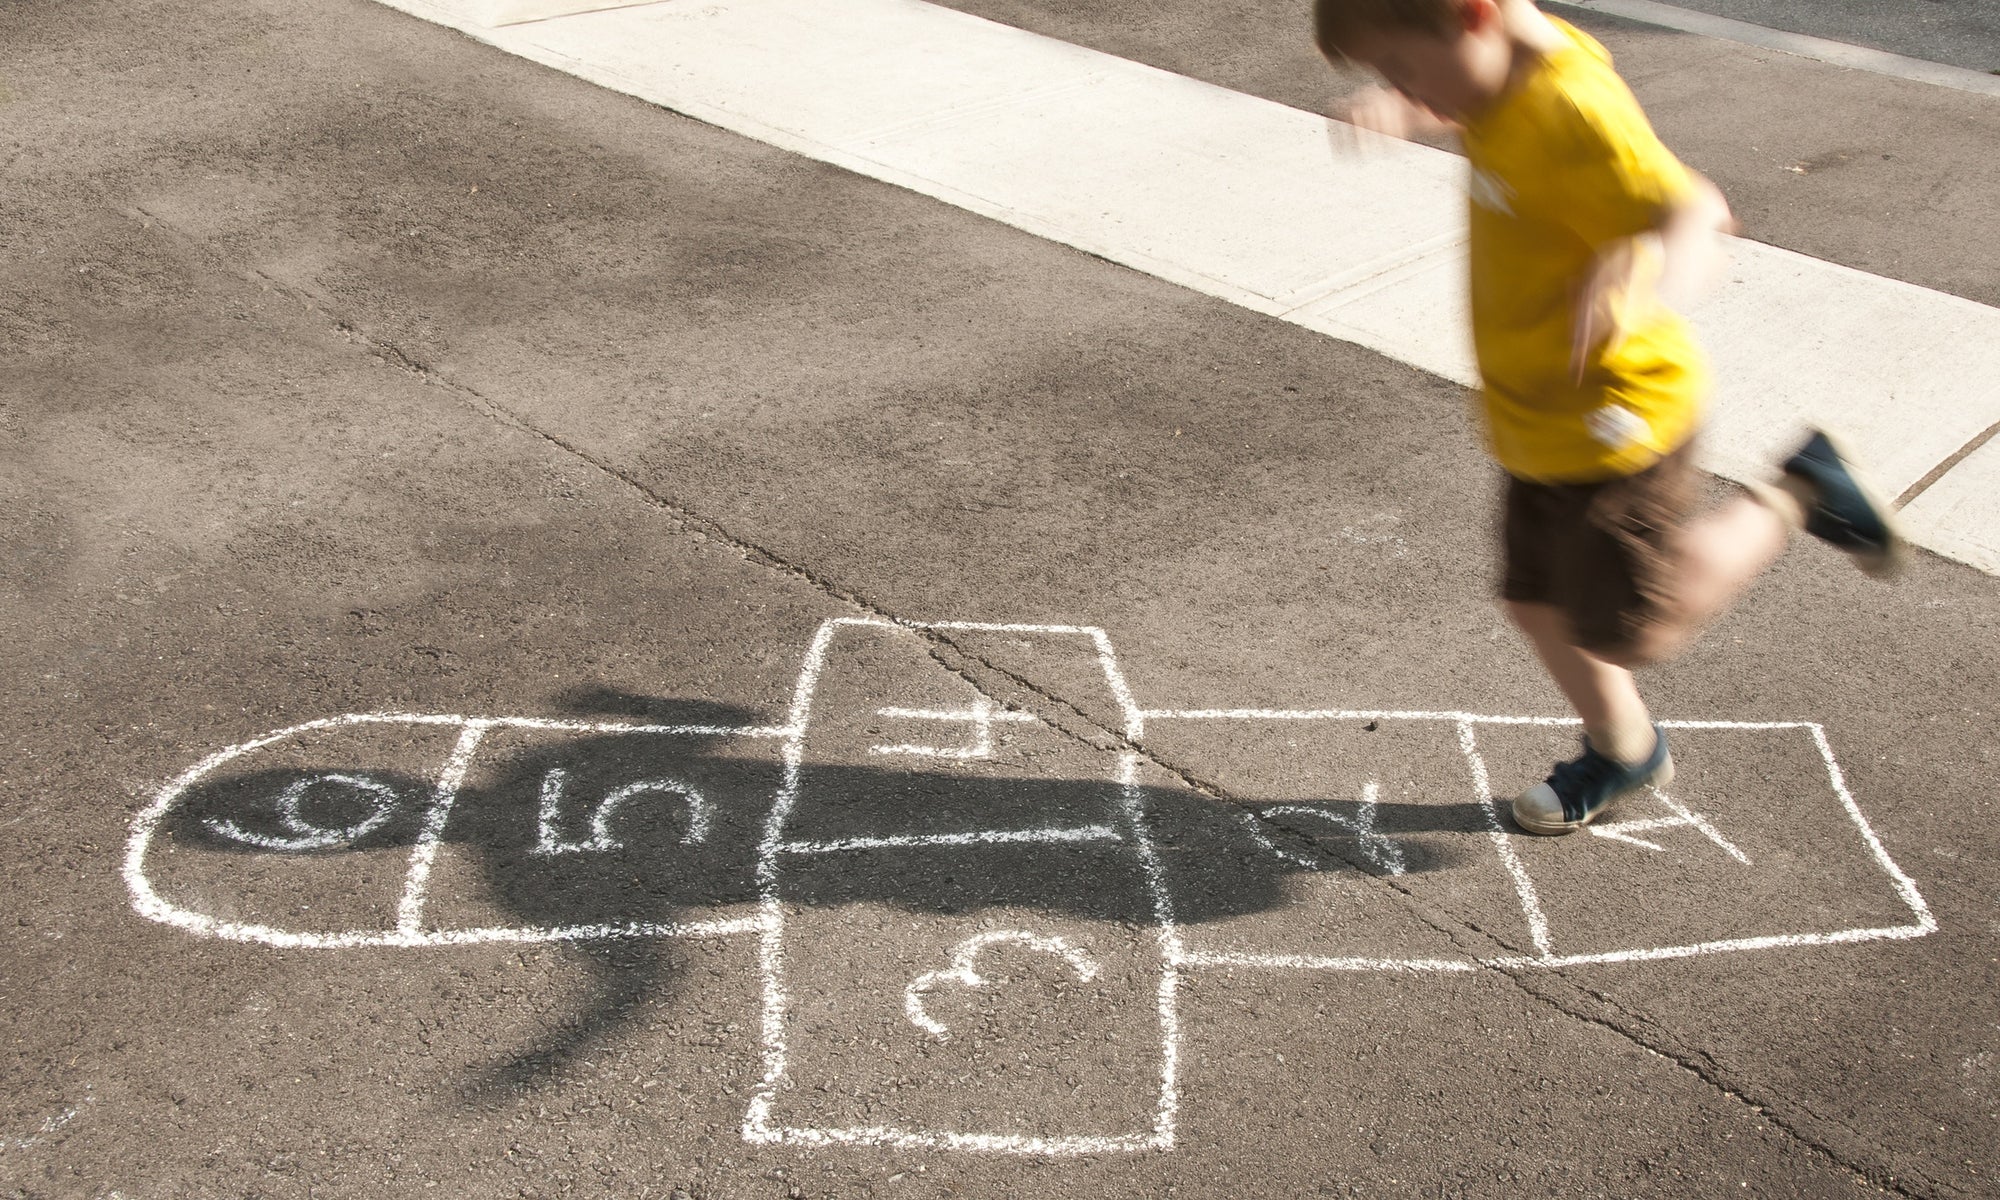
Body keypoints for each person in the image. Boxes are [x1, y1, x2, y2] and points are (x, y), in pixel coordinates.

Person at [1313, 0, 1902, 835]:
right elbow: (1458, 85)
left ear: (1474, 20)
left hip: (1617, 420)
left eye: (1404, 71)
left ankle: (1801, 489)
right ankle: (1626, 748)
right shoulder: (1488, 77)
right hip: (1538, 418)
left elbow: (1699, 208)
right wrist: (1405, 106)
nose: (1405, 90)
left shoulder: (1576, 108)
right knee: (1534, 599)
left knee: (1635, 627)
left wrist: (1648, 270)